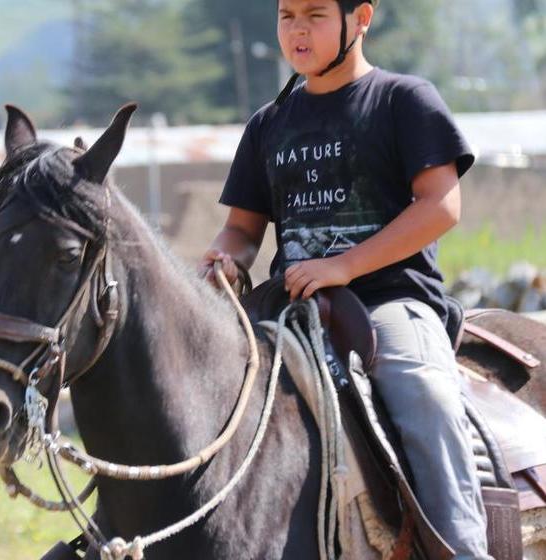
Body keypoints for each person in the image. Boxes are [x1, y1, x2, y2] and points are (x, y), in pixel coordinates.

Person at [198, 0, 491, 557]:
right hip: (286, 313)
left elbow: (440, 207)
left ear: (361, 18)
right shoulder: (268, 124)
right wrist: (223, 260)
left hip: (390, 303)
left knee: (427, 394)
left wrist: (344, 266)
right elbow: (241, 228)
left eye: (315, 14)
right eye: (287, 16)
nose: (297, 30)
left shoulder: (404, 100)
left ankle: (464, 546)